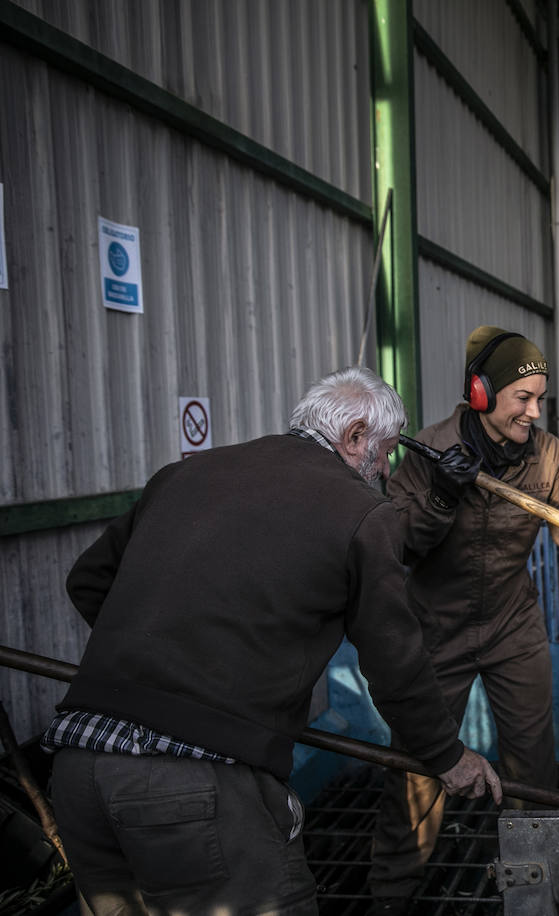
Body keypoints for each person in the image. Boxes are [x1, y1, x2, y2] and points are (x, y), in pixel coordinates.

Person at [43, 367, 501, 915]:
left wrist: (165, 658)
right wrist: (445, 755)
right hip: (191, 786)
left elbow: (87, 581)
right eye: (383, 456)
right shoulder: (362, 513)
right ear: (355, 436)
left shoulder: (184, 475)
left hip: (77, 773)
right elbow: (394, 661)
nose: (383, 471)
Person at [369, 327, 559, 903]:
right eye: (522, 399)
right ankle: (392, 893)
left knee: (533, 762)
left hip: (513, 625)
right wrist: (440, 497)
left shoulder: (548, 454)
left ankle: (540, 885)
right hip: (436, 629)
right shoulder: (429, 450)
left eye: (540, 400)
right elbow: (401, 544)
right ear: (481, 394)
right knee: (419, 769)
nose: (533, 412)